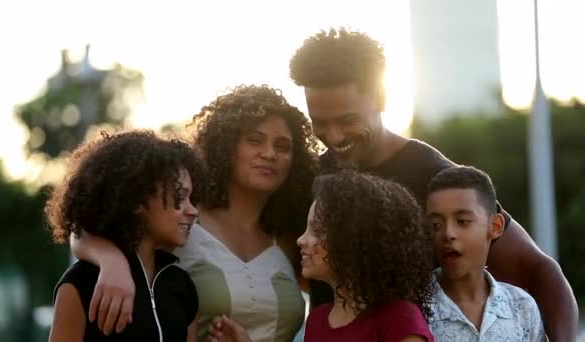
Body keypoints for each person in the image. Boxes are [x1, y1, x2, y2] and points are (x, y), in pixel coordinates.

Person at [288, 27, 577, 341]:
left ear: (382, 97)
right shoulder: (312, 176)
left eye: (347, 120)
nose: (334, 136)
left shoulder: (430, 173)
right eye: (320, 121)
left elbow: (538, 271)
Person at [70, 85, 320, 341]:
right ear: (226, 145)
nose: (269, 154)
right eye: (254, 140)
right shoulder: (183, 221)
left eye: (283, 146)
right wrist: (112, 263)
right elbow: (83, 231)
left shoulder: (293, 237)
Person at [209, 169, 434, 342]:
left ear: (354, 239)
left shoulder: (400, 319)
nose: (301, 240)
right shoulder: (317, 321)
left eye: (316, 230)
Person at [47, 130, 204, 341]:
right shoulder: (80, 283)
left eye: (191, 198)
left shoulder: (181, 285)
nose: (193, 210)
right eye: (180, 197)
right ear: (138, 200)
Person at [425, 166, 546, 341]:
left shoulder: (522, 307)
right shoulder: (412, 307)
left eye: (463, 221)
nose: (448, 233)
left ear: (495, 227)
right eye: (436, 224)